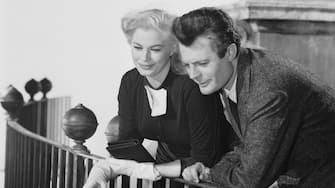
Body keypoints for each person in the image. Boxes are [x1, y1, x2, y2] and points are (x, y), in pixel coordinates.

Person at [172, 7, 335, 188]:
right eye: (188, 65)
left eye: (202, 63)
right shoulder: (238, 69)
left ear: (230, 52)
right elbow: (247, 146)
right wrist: (208, 171)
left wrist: (212, 174)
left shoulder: (266, 90)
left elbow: (249, 181)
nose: (193, 75)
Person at [84, 9, 229, 188]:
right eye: (137, 47)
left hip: (211, 174)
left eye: (155, 49)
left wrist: (151, 170)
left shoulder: (191, 83)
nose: (144, 58)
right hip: (165, 172)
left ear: (173, 48)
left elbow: (205, 157)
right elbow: (127, 144)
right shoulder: (130, 82)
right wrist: (105, 167)